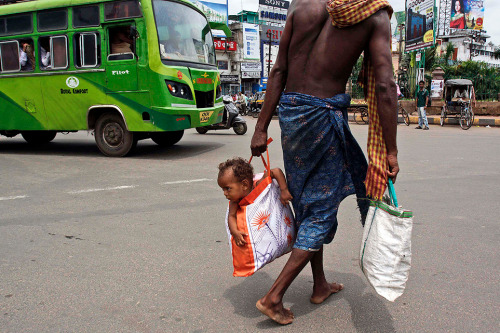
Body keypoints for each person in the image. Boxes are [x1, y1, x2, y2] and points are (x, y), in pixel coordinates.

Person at [250, 0, 399, 325]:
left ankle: (319, 284)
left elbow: (278, 70)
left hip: (291, 113)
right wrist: (391, 150)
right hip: (322, 116)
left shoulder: (301, 5)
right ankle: (273, 298)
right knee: (320, 210)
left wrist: (261, 126)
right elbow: (386, 85)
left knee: (308, 201)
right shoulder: (373, 14)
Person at [217, 158, 293, 247]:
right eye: (223, 189)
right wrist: (235, 232)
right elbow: (231, 216)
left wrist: (284, 190)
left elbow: (276, 171)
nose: (225, 193)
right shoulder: (235, 201)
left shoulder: (258, 186)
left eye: (228, 188)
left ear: (244, 185)